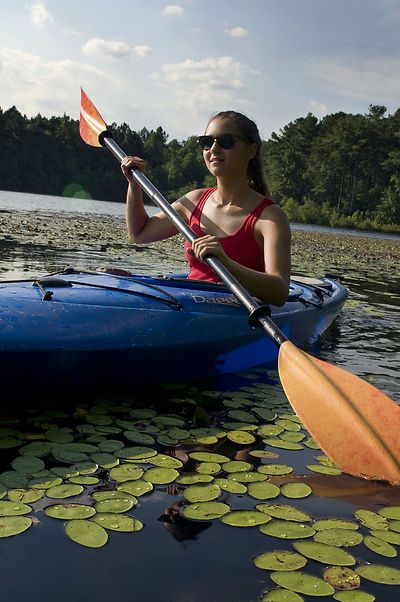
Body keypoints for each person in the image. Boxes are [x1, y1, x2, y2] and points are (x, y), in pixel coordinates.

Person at [120, 111, 291, 305]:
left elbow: (279, 293)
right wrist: (134, 184)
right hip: (190, 307)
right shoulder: (194, 201)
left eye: (226, 141)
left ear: (251, 150)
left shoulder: (270, 217)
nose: (214, 149)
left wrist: (227, 264)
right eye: (207, 142)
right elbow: (139, 233)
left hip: (241, 312)